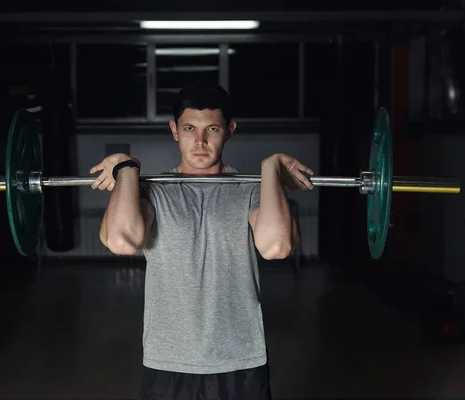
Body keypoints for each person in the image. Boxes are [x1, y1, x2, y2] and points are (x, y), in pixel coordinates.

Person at [90, 81, 314, 399]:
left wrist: (270, 169)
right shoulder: (152, 191)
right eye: (189, 128)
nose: (200, 142)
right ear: (174, 130)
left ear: (229, 130)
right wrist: (127, 168)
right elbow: (121, 240)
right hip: (167, 361)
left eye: (212, 129)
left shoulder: (250, 189)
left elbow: (276, 246)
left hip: (240, 360)